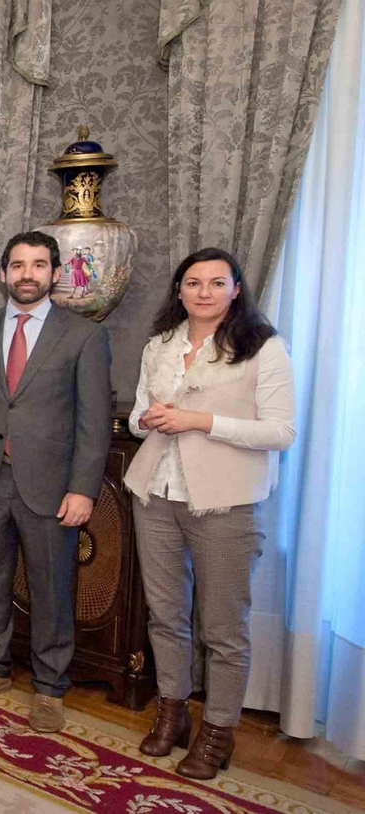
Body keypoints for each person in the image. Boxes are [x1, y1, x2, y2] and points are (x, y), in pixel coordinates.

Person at [124, 247, 294, 780]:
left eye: (217, 282)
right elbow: (138, 418)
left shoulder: (263, 347)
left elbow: (281, 431)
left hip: (225, 502)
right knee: (165, 616)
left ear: (236, 289)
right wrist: (147, 421)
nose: (204, 292)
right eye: (193, 282)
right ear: (179, 291)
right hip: (155, 494)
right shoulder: (160, 345)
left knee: (222, 629)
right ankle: (172, 712)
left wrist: (201, 420)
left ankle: (218, 731)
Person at [0, 231, 110, 732]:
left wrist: (83, 489)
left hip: (51, 485)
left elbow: (93, 421)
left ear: (55, 273)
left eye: (39, 265)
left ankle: (49, 687)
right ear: (3, 273)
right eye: (18, 265)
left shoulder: (83, 336)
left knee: (51, 587)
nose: (28, 274)